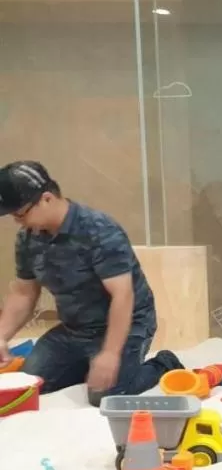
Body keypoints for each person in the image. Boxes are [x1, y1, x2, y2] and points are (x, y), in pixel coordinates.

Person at [0, 161, 182, 405]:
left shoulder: (99, 230)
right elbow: (24, 293)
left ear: (46, 199)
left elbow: (123, 295)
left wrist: (110, 353)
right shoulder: (28, 238)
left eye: (20, 214)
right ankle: (87, 364)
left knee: (106, 395)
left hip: (127, 324)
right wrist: (2, 336)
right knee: (30, 384)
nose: (17, 222)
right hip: (75, 328)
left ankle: (164, 363)